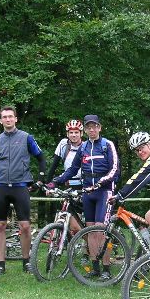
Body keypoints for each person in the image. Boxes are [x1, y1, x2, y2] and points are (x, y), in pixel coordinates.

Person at [52, 114, 120, 280]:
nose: (91, 130)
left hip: (104, 192)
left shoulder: (107, 145)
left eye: (94, 126)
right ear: (86, 129)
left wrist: (100, 183)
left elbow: (115, 169)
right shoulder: (83, 148)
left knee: (100, 230)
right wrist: (56, 181)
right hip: (87, 192)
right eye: (88, 127)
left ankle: (106, 269)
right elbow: (73, 169)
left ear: (99, 127)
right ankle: (95, 267)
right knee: (90, 230)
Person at [0, 106, 47, 275]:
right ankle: (0, 263)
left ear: (15, 119)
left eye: (10, 116)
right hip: (0, 186)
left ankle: (26, 261)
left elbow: (41, 158)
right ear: (1, 120)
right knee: (0, 225)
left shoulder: (26, 137)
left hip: (21, 185)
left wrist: (41, 179)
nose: (7, 119)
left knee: (25, 226)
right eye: (4, 117)